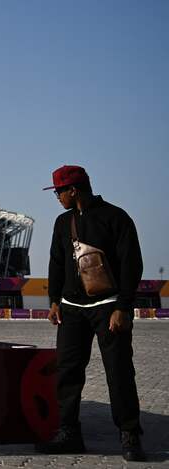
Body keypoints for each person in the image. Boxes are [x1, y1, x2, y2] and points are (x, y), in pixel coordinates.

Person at [36, 166, 145, 462]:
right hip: (72, 310)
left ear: (74, 190)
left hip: (109, 308)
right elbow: (56, 262)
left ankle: (129, 433)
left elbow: (131, 264)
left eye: (59, 191)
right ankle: (69, 433)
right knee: (68, 373)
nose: (56, 197)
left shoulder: (116, 217)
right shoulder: (62, 223)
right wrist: (54, 300)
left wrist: (123, 306)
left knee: (119, 372)